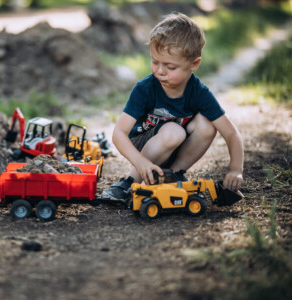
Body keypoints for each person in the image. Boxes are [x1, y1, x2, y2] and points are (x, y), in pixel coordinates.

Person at [103, 12, 244, 201]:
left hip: (176, 146)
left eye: (170, 67)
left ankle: (173, 175)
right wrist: (141, 162)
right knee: (173, 131)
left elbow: (231, 133)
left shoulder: (199, 92)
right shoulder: (145, 88)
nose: (160, 71)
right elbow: (118, 133)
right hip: (143, 147)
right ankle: (129, 182)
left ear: (194, 64)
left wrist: (235, 170)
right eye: (155, 62)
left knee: (207, 124)